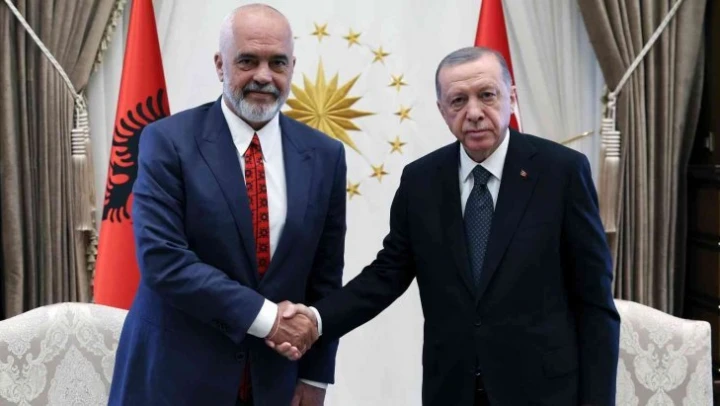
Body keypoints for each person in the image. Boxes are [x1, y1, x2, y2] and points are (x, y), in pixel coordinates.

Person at [269, 47, 620, 405]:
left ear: (511, 97)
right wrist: (316, 319)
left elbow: (595, 304)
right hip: (452, 391)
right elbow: (385, 276)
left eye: (487, 95)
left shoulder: (561, 172)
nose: (474, 113)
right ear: (442, 110)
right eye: (458, 100)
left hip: (544, 393)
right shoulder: (421, 181)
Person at [108, 4, 342, 406]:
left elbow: (325, 276)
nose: (264, 76)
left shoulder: (325, 155)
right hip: (173, 378)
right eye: (248, 61)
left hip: (275, 383)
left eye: (277, 62)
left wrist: (315, 375)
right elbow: (163, 260)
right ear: (220, 65)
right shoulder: (167, 141)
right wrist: (268, 320)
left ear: (292, 68)